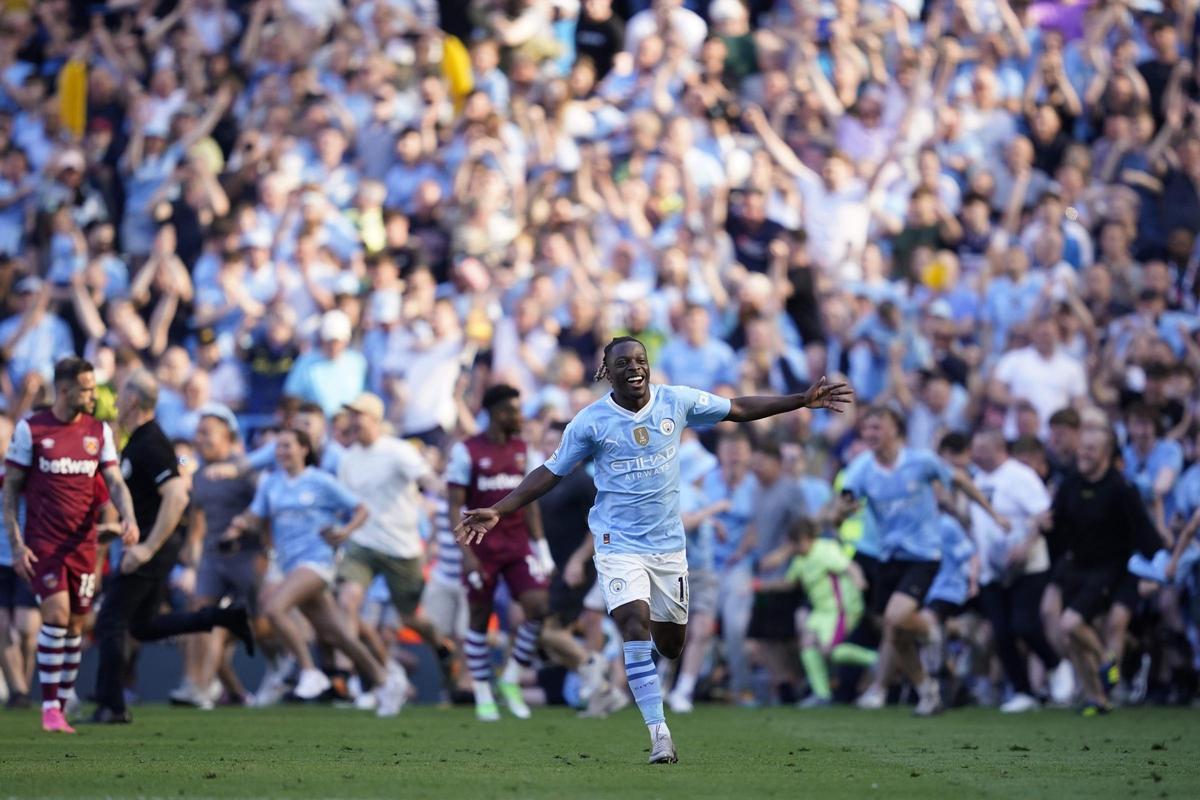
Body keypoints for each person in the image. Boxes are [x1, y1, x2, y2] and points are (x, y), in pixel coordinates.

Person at [456, 336, 851, 763]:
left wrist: (800, 400)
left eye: (640, 360)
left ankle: (660, 668)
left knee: (671, 643)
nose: (634, 367)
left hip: (667, 547)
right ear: (606, 371)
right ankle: (659, 733)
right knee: (632, 622)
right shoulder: (590, 422)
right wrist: (499, 509)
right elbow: (550, 472)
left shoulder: (675, 402)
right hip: (616, 543)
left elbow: (737, 409)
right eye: (623, 362)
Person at [91, 369, 254, 724]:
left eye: (120, 397)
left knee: (111, 620)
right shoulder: (139, 441)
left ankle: (112, 706)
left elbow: (177, 495)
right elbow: (152, 502)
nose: (116, 404)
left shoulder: (150, 443)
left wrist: (147, 548)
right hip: (149, 541)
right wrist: (119, 529)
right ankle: (224, 618)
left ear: (133, 400)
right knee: (144, 626)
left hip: (154, 547)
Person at [832, 406, 1006, 716]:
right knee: (895, 633)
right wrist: (839, 512)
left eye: (878, 427)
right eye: (867, 429)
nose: (871, 434)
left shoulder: (921, 461)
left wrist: (993, 514)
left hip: (923, 554)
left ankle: (928, 628)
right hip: (888, 556)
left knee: (896, 618)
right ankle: (927, 691)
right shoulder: (862, 468)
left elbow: (960, 480)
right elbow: (845, 500)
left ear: (895, 430)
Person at [449, 384, 605, 721]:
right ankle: (481, 691)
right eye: (512, 410)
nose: (519, 416)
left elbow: (531, 507)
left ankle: (510, 678)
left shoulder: (526, 452)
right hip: (480, 546)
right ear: (493, 413)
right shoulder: (466, 451)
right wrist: (466, 554)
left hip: (518, 544)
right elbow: (455, 506)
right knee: (479, 617)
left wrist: (543, 552)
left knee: (538, 608)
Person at [226, 427, 407, 716]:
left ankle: (310, 672)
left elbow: (361, 509)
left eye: (287, 446)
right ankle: (386, 681)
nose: (281, 452)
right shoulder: (271, 483)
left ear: (304, 449)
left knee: (274, 609)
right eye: (278, 447)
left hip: (318, 561)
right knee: (338, 635)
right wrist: (237, 525)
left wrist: (344, 531)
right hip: (290, 565)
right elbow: (255, 514)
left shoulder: (321, 481)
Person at [3, 357, 140, 733]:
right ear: (64, 390)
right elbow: (11, 488)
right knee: (57, 616)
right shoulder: (31, 430)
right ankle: (49, 708)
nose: (93, 395)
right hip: (43, 542)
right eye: (87, 388)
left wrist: (128, 516)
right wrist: (16, 544)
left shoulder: (99, 431)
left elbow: (113, 481)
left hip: (84, 544)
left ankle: (60, 704)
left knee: (77, 625)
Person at [1047, 426, 1160, 715]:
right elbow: (1058, 530)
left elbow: (1145, 534)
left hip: (1110, 570)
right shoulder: (1070, 485)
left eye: (1091, 449)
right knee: (1071, 639)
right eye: (1082, 447)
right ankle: (1097, 697)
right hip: (1078, 569)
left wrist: (1156, 571)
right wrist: (1045, 526)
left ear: (1107, 455)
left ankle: (1106, 662)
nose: (1083, 453)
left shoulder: (1121, 489)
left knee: (1070, 624)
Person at [334, 393, 440, 701]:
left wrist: (447, 494)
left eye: (359, 414)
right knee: (348, 600)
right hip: (362, 543)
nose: (353, 420)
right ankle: (347, 674)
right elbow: (346, 503)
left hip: (401, 546)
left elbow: (427, 479)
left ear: (375, 419)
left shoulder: (397, 451)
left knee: (410, 619)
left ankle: (442, 647)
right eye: (351, 415)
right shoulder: (347, 459)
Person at [967, 428, 1065, 713]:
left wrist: (1025, 544)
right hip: (992, 569)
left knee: (1024, 624)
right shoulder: (977, 478)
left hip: (1027, 565)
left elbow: (1044, 515)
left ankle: (1055, 664)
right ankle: (1024, 691)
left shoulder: (1020, 476)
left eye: (981, 448)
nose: (975, 454)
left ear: (999, 448)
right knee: (1001, 632)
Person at [175, 407, 261, 709]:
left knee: (261, 628)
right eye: (198, 433)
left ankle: (232, 687)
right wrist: (191, 552)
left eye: (206, 432)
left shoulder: (245, 470)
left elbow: (265, 510)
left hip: (246, 558)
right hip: (212, 557)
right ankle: (197, 684)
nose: (200, 439)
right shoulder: (197, 475)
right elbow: (198, 520)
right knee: (201, 615)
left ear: (228, 436)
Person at [756, 518, 876, 708]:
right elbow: (791, 583)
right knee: (807, 643)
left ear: (805, 538)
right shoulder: (801, 559)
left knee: (829, 651)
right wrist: (762, 586)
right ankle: (822, 694)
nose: (794, 548)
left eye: (796, 543)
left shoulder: (825, 549)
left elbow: (850, 567)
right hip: (822, 612)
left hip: (841, 609)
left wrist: (859, 580)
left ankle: (877, 661)